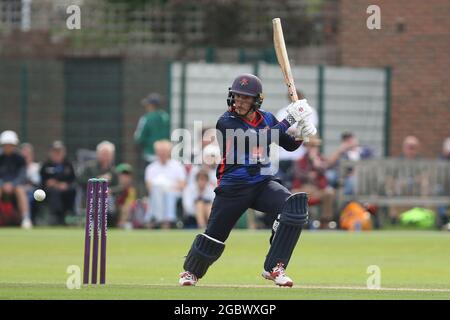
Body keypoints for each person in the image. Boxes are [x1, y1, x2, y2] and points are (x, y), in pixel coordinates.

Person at [178, 73, 317, 287]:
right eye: (237, 96)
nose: (239, 101)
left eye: (245, 98)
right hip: (233, 186)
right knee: (215, 236)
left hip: (261, 182)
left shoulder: (268, 118)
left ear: (256, 100)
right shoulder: (226, 121)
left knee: (294, 207)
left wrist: (301, 133)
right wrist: (289, 119)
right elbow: (255, 139)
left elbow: (288, 144)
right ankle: (190, 272)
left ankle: (275, 267)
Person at [274, 90, 319, 189]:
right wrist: (293, 124)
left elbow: (310, 134)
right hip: (285, 156)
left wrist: (299, 131)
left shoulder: (309, 111)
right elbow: (279, 131)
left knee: (300, 185)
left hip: (301, 156)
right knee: (284, 184)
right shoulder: (283, 112)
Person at [291, 136, 336, 228]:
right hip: (303, 189)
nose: (312, 148)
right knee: (293, 194)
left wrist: (315, 161)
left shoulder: (321, 159)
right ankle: (299, 222)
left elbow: (323, 171)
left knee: (329, 193)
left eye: (314, 146)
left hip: (317, 190)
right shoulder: (299, 160)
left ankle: (325, 222)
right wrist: (309, 175)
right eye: (310, 146)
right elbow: (298, 174)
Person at [144, 140, 186, 229]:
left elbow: (182, 185)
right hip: (156, 194)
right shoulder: (150, 168)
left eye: (164, 151)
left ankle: (159, 219)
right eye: (160, 152)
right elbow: (149, 187)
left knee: (168, 194)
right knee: (157, 190)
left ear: (169, 152)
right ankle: (164, 220)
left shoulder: (177, 166)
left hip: (173, 192)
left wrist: (169, 188)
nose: (162, 154)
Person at [0, 130, 32, 228]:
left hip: (15, 186)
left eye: (10, 145)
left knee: (20, 190)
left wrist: (12, 184)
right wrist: (2, 184)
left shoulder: (20, 158)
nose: (8, 147)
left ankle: (26, 218)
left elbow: (22, 175)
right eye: (6, 145)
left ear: (14, 145)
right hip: (1, 186)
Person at [40, 141, 77, 225]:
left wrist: (66, 185)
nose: (57, 154)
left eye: (59, 152)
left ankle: (70, 214)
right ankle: (56, 216)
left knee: (72, 191)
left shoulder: (68, 164)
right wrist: (53, 184)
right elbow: (43, 181)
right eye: (55, 152)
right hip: (50, 192)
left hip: (66, 191)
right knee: (54, 192)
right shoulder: (46, 165)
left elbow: (73, 180)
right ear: (51, 153)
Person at [134, 93, 170, 164]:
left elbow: (138, 138)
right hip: (165, 157)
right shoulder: (166, 117)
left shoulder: (146, 118)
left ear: (151, 105)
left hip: (149, 156)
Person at [20, 143, 41, 222]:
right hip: (21, 190)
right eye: (23, 155)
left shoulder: (36, 167)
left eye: (27, 154)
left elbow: (37, 183)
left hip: (34, 191)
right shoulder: (18, 168)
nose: (25, 157)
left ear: (32, 155)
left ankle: (28, 219)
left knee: (29, 195)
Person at [114, 163, 137, 229]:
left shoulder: (131, 189)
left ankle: (122, 224)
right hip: (112, 213)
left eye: (127, 175)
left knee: (126, 206)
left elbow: (130, 203)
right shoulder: (112, 186)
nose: (125, 178)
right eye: (123, 175)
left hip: (127, 215)